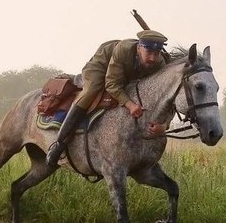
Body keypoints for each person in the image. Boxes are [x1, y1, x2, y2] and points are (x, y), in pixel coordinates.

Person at [45, 30, 169, 168]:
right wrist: (130, 105)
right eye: (149, 52)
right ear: (139, 47)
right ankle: (59, 144)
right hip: (101, 66)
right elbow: (111, 83)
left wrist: (163, 126)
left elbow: (165, 97)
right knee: (92, 90)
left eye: (156, 53)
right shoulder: (123, 49)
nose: (152, 58)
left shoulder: (160, 63)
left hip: (126, 75)